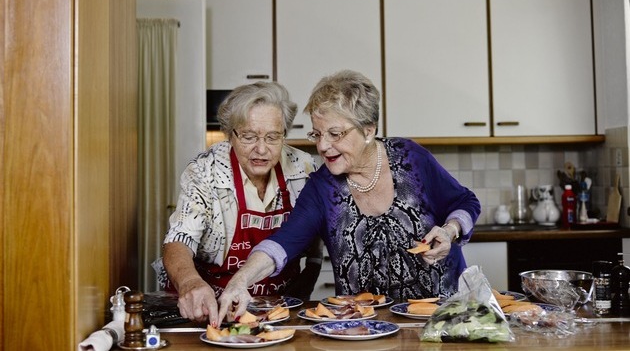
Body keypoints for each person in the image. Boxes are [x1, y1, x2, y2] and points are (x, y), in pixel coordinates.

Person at [213, 69, 481, 327]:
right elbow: (282, 244)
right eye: (317, 134)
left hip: (445, 317)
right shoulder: (322, 188)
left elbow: (465, 202)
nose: (322, 146)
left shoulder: (411, 159)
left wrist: (450, 231)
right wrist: (240, 281)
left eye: (335, 134)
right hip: (364, 329)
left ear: (368, 130)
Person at [152, 81, 322, 323]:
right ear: (230, 134)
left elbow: (315, 243)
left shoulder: (302, 167)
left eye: (273, 137)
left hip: (277, 308)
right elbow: (179, 239)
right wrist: (190, 283)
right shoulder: (205, 171)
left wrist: (303, 288)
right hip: (211, 309)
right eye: (249, 136)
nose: (261, 149)